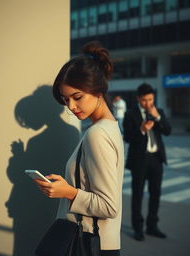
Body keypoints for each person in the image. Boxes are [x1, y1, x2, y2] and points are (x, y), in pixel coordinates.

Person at [35, 41, 125, 256]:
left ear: (98, 90)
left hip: (88, 244)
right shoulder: (110, 127)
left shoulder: (97, 134)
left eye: (77, 97)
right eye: (66, 100)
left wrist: (69, 192)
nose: (71, 107)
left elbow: (108, 206)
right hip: (101, 242)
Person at [123, 83, 171, 241]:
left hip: (156, 159)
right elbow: (128, 137)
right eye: (144, 100)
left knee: (155, 194)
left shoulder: (159, 111)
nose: (148, 103)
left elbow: (168, 131)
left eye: (150, 99)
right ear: (138, 99)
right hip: (139, 161)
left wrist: (157, 117)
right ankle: (138, 228)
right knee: (137, 195)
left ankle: (152, 226)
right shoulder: (130, 114)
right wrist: (142, 130)